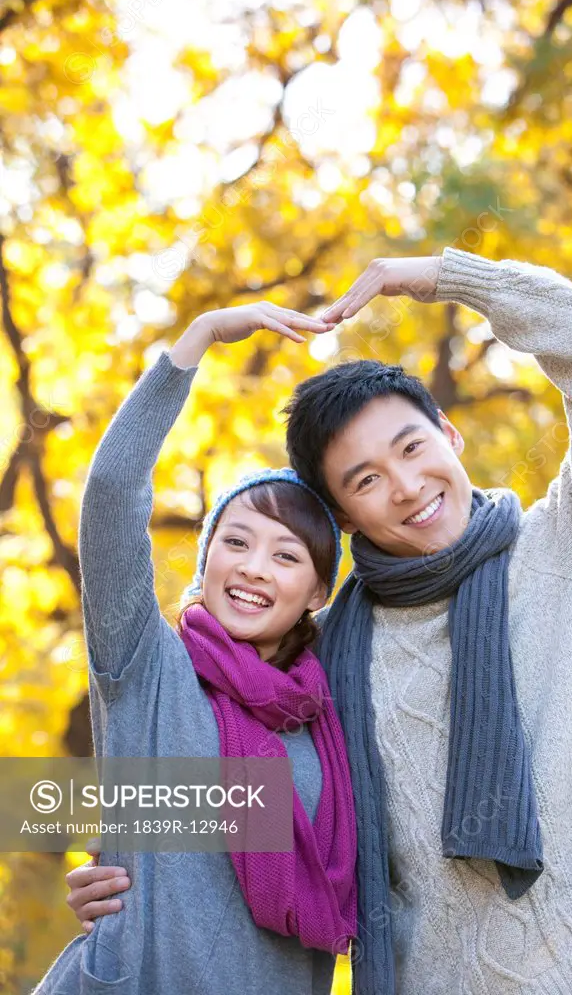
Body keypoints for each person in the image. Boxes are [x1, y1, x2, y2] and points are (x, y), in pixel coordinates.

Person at [64, 248, 572, 994]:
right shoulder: (323, 662)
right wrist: (110, 851)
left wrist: (447, 278)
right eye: (365, 481)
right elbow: (232, 792)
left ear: (449, 435)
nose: (406, 486)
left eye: (412, 448)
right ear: (346, 519)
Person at [32, 304, 357, 995]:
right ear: (207, 560)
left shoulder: (330, 711)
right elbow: (114, 494)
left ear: (318, 592)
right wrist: (199, 339)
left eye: (286, 555)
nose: (253, 568)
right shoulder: (146, 667)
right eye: (235, 542)